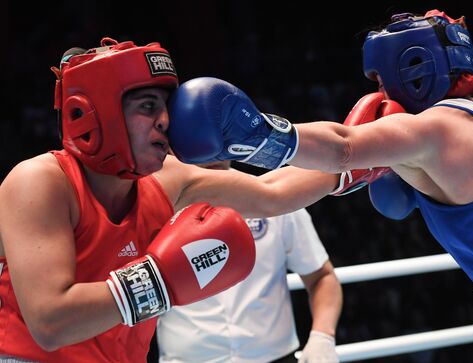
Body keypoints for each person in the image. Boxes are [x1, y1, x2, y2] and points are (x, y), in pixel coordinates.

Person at [166, 10, 473, 363]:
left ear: (411, 69)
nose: (381, 93)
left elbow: (343, 148)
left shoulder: (427, 130)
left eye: (381, 81)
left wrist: (257, 134)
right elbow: (277, 192)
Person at [0, 37, 343, 363]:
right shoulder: (41, 181)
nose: (165, 120)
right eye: (148, 106)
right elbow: (50, 323)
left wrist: (360, 164)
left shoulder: (166, 180)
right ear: (95, 111)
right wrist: (162, 279)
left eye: (164, 107)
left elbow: (274, 193)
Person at [155, 160, 342, 363]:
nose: (211, 151)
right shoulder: (153, 205)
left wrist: (322, 337)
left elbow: (321, 276)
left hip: (276, 357)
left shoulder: (275, 195)